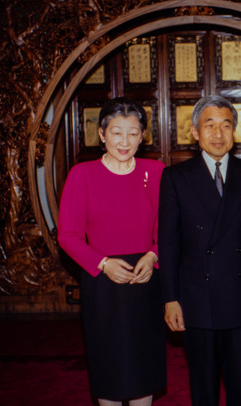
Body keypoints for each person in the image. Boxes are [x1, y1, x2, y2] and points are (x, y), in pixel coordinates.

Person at [158, 95, 241, 406]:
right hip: (197, 296)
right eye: (209, 125)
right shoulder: (175, 177)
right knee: (203, 387)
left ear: (234, 132)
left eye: (226, 125)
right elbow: (168, 243)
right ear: (195, 132)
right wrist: (170, 299)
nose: (218, 133)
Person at [58, 97, 166, 406]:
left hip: (146, 277)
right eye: (117, 132)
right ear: (102, 134)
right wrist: (102, 263)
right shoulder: (82, 175)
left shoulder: (156, 171)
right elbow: (68, 235)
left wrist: (154, 254)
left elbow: (170, 227)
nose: (125, 141)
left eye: (133, 133)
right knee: (110, 363)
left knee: (143, 361)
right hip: (102, 281)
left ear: (142, 136)